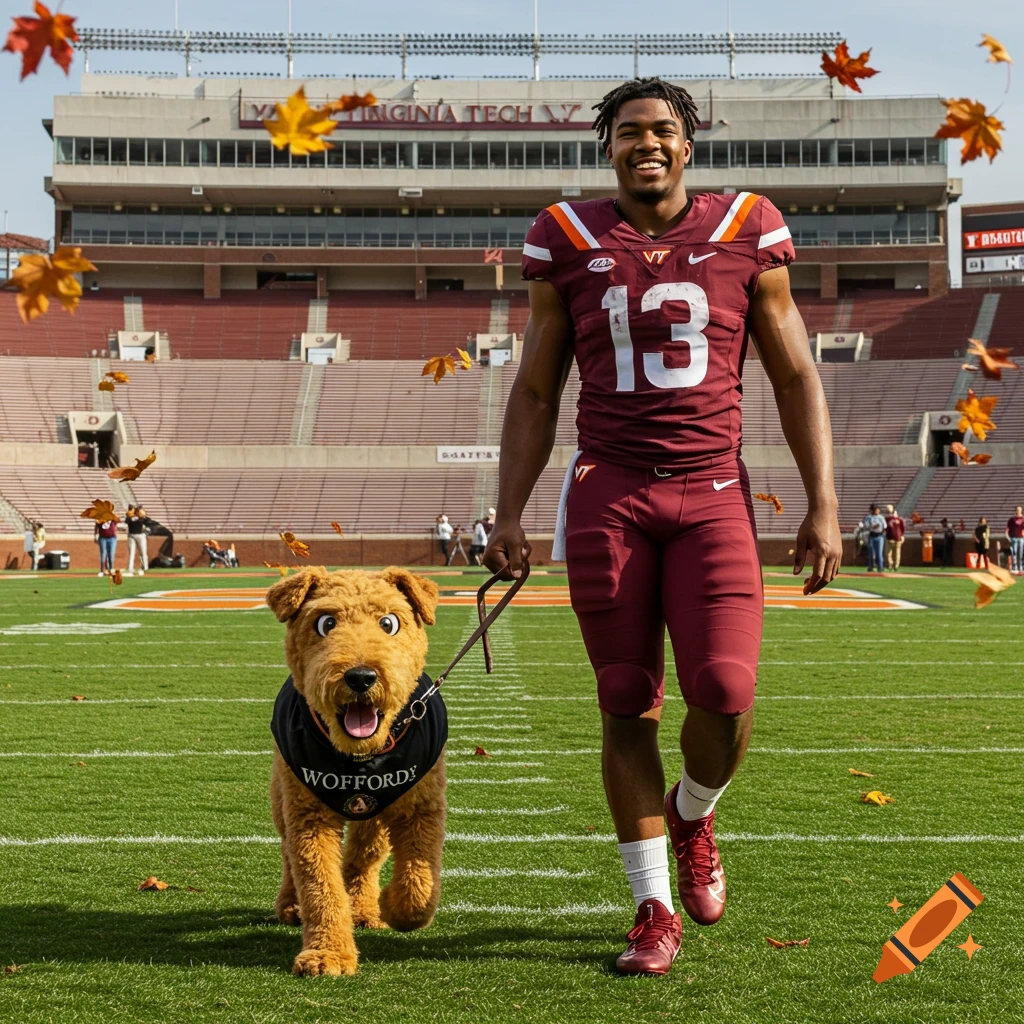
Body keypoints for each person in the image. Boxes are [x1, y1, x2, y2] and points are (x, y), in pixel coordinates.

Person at [483, 77, 841, 976]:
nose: (648, 142)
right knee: (625, 699)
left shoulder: (746, 226)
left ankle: (694, 813)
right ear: (609, 146)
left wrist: (823, 504)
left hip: (713, 491)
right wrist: (508, 511)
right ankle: (652, 907)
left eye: (664, 130)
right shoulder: (567, 235)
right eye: (630, 131)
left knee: (724, 690)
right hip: (610, 496)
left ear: (690, 144)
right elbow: (536, 386)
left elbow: (796, 375)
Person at [860, 505, 887, 572]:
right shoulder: (869, 517)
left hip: (879, 536)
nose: (877, 511)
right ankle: (870, 566)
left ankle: (880, 567)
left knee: (879, 553)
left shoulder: (881, 517)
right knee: (871, 553)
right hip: (872, 536)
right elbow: (867, 526)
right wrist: (873, 527)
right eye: (875, 510)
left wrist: (881, 532)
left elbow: (885, 526)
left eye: (878, 510)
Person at [125, 503, 148, 577]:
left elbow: (144, 518)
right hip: (135, 535)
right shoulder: (132, 516)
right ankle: (136, 568)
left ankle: (143, 568)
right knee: (138, 553)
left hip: (135, 535)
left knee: (142, 552)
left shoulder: (136, 516)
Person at [884, 504, 905, 572]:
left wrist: (902, 535)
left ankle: (896, 565)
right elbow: (885, 528)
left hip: (897, 538)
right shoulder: (887, 519)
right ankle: (890, 564)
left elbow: (902, 528)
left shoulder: (899, 519)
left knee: (897, 553)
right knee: (887, 553)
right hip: (889, 537)